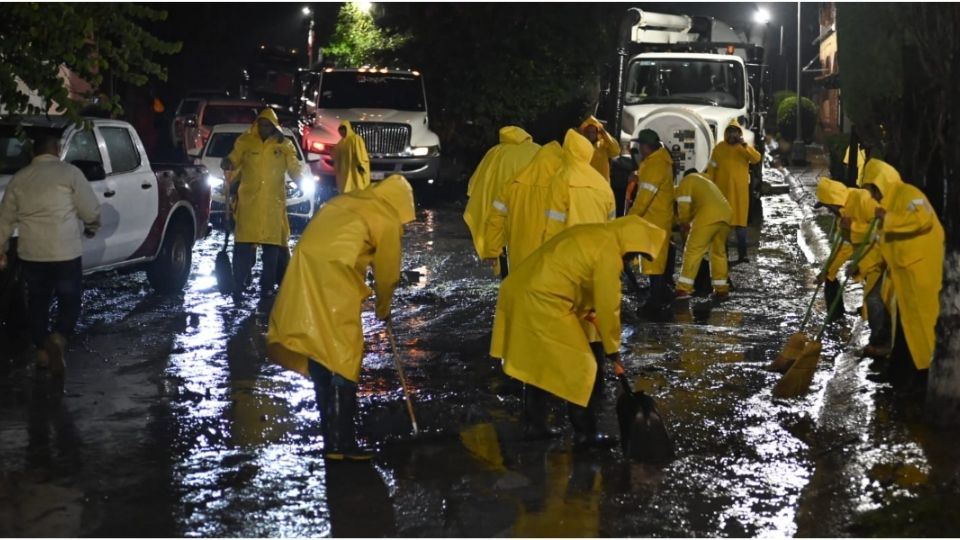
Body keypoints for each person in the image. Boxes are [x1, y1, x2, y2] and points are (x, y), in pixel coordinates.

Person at [266, 175, 415, 460]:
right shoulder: (386, 218)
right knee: (344, 352)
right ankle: (340, 444)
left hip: (305, 267)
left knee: (319, 345)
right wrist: (384, 308)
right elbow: (387, 275)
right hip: (336, 275)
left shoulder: (347, 200)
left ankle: (332, 440)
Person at [490, 216, 666, 449]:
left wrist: (588, 311)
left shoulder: (595, 232)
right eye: (634, 255)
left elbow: (575, 273)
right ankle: (586, 433)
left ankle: (535, 426)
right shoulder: (609, 252)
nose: (632, 260)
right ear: (630, 242)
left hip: (521, 289)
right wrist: (612, 349)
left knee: (537, 362)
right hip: (542, 300)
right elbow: (608, 304)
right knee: (584, 365)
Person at [0, 131, 101, 376]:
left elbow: (5, 219)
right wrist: (91, 226)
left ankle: (43, 349)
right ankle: (58, 338)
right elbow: (90, 208)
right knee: (70, 299)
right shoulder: (70, 174)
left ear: (35, 152)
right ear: (56, 150)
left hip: (32, 253)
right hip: (65, 251)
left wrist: (1, 249)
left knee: (37, 301)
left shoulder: (20, 179)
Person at [852, 159, 944, 384]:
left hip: (923, 277)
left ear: (879, 185)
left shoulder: (907, 194)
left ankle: (917, 380)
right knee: (907, 332)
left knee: (921, 331)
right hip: (906, 281)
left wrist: (888, 219)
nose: (871, 198)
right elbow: (881, 246)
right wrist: (860, 265)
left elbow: (920, 219)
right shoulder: (889, 204)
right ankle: (904, 378)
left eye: (872, 191)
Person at [221, 109, 304, 302]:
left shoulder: (284, 145)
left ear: (274, 126)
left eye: (268, 125)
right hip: (249, 204)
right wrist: (229, 162)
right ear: (257, 124)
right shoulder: (246, 142)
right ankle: (238, 284)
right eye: (261, 124)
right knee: (242, 246)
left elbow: (294, 167)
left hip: (272, 205)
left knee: (271, 249)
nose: (264, 129)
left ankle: (266, 287)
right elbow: (235, 156)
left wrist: (301, 181)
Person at [463, 126, 540, 276]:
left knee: (505, 251)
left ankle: (507, 283)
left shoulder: (495, 153)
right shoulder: (538, 151)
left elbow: (477, 185)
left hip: (502, 209)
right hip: (532, 213)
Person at [814, 179, 885, 335]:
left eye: (827, 206)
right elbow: (842, 248)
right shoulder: (843, 216)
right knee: (873, 301)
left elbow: (883, 228)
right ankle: (874, 339)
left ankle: (880, 342)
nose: (827, 210)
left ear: (833, 201)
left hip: (883, 261)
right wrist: (828, 272)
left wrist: (853, 227)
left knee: (875, 301)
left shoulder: (863, 199)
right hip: (869, 262)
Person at [481, 141, 564, 271]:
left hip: (518, 259)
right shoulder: (562, 188)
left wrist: (492, 250)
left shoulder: (513, 184)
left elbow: (495, 218)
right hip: (551, 260)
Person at [626, 129, 676, 310]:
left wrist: (630, 218)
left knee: (653, 261)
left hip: (654, 218)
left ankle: (655, 303)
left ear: (647, 147)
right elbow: (649, 179)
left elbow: (645, 196)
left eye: (641, 145)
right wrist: (637, 176)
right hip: (657, 217)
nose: (639, 148)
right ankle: (661, 294)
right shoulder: (656, 160)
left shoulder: (656, 164)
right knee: (655, 260)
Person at [543, 129, 617, 241]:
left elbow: (554, 222)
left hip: (571, 249)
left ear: (567, 151)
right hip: (597, 250)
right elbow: (610, 223)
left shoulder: (562, 179)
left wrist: (548, 251)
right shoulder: (603, 184)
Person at [705, 120, 761, 264]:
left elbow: (756, 159)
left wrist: (745, 146)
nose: (732, 134)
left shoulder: (744, 149)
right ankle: (724, 254)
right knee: (723, 226)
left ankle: (743, 255)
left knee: (740, 226)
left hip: (740, 194)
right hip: (722, 194)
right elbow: (711, 169)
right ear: (726, 133)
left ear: (739, 134)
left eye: (734, 132)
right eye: (729, 131)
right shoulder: (718, 149)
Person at [674, 170, 733, 300]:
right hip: (726, 215)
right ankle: (721, 289)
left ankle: (683, 289)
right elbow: (697, 206)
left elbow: (683, 204)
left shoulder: (686, 181)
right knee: (718, 253)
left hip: (708, 217)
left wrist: (683, 222)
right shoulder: (705, 182)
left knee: (693, 251)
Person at [333, 120, 371, 194]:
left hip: (355, 171)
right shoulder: (340, 143)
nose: (341, 132)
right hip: (345, 172)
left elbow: (361, 153)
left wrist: (361, 165)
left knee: (357, 188)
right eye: (340, 130)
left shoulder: (355, 139)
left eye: (343, 129)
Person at [579, 116, 620, 183]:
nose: (590, 135)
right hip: (586, 183)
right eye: (588, 132)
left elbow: (616, 151)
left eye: (593, 132)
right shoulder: (581, 145)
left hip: (602, 184)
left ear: (597, 133)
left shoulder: (603, 145)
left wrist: (604, 133)